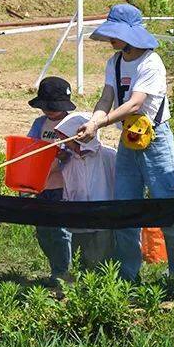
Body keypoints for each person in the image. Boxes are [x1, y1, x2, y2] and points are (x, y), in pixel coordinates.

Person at [77, 3, 174, 289]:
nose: (112, 40)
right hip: (127, 140)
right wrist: (94, 119)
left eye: (116, 35)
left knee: (169, 208)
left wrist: (99, 124)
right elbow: (107, 98)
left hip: (155, 139)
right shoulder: (115, 63)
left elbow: (135, 103)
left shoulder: (151, 63)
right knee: (125, 208)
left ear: (132, 35)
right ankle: (128, 275)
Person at [26, 76, 76, 285]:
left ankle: (64, 270)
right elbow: (29, 147)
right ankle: (55, 266)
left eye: (53, 107)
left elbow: (80, 150)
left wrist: (66, 154)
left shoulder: (73, 124)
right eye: (46, 107)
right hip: (41, 184)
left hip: (63, 186)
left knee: (61, 230)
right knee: (43, 230)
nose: (49, 111)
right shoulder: (40, 124)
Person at [54, 112, 117, 272]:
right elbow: (67, 189)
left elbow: (120, 183)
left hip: (104, 221)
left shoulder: (109, 156)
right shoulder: (67, 162)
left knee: (104, 262)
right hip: (79, 221)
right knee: (81, 261)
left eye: (66, 140)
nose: (64, 144)